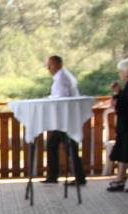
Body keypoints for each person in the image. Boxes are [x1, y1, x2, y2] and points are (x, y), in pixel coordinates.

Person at [44, 55, 86, 185]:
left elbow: (62, 99)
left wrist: (50, 100)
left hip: (65, 119)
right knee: (55, 145)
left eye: (50, 65)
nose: (48, 68)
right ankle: (54, 176)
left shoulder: (61, 79)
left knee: (69, 148)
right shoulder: (64, 76)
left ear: (57, 65)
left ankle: (76, 178)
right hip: (67, 118)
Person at [108, 58, 128, 192]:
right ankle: (120, 178)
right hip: (125, 125)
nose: (120, 74)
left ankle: (120, 178)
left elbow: (124, 104)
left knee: (126, 150)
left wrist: (117, 96)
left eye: (121, 71)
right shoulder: (127, 86)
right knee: (124, 151)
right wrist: (118, 92)